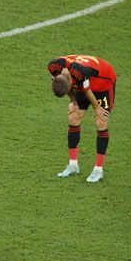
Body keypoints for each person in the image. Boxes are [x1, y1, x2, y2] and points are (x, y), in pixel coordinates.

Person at [48, 55, 117, 183]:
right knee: (74, 116)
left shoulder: (79, 72)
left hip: (103, 83)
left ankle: (98, 170)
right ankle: (73, 165)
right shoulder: (54, 67)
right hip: (82, 82)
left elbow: (86, 90)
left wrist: (97, 107)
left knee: (100, 120)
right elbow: (68, 87)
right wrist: (74, 101)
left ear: (70, 83)